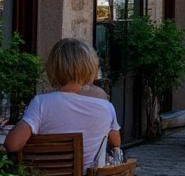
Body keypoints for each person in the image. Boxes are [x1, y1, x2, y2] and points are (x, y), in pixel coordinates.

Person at [4, 39, 121, 169]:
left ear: (53, 67)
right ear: (91, 67)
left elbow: (12, 145)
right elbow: (116, 142)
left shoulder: (41, 103)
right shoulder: (106, 107)